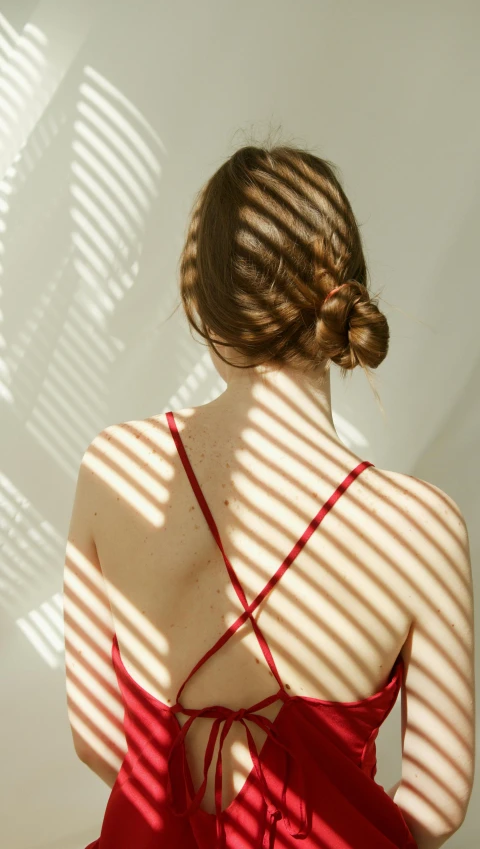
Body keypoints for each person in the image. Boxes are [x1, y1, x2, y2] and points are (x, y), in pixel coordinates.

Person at [63, 139, 475, 849]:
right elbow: (438, 805)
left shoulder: (114, 471)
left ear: (203, 302)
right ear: (343, 300)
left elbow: (98, 740)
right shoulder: (424, 527)